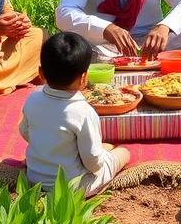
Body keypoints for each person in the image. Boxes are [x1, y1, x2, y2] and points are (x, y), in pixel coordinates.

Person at [20, 32, 131, 195]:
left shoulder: (32, 99)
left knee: (97, 148)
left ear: (41, 73)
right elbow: (93, 163)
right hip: (72, 188)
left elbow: (24, 132)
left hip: (35, 179)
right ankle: (117, 154)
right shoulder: (83, 111)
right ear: (83, 78)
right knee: (122, 153)